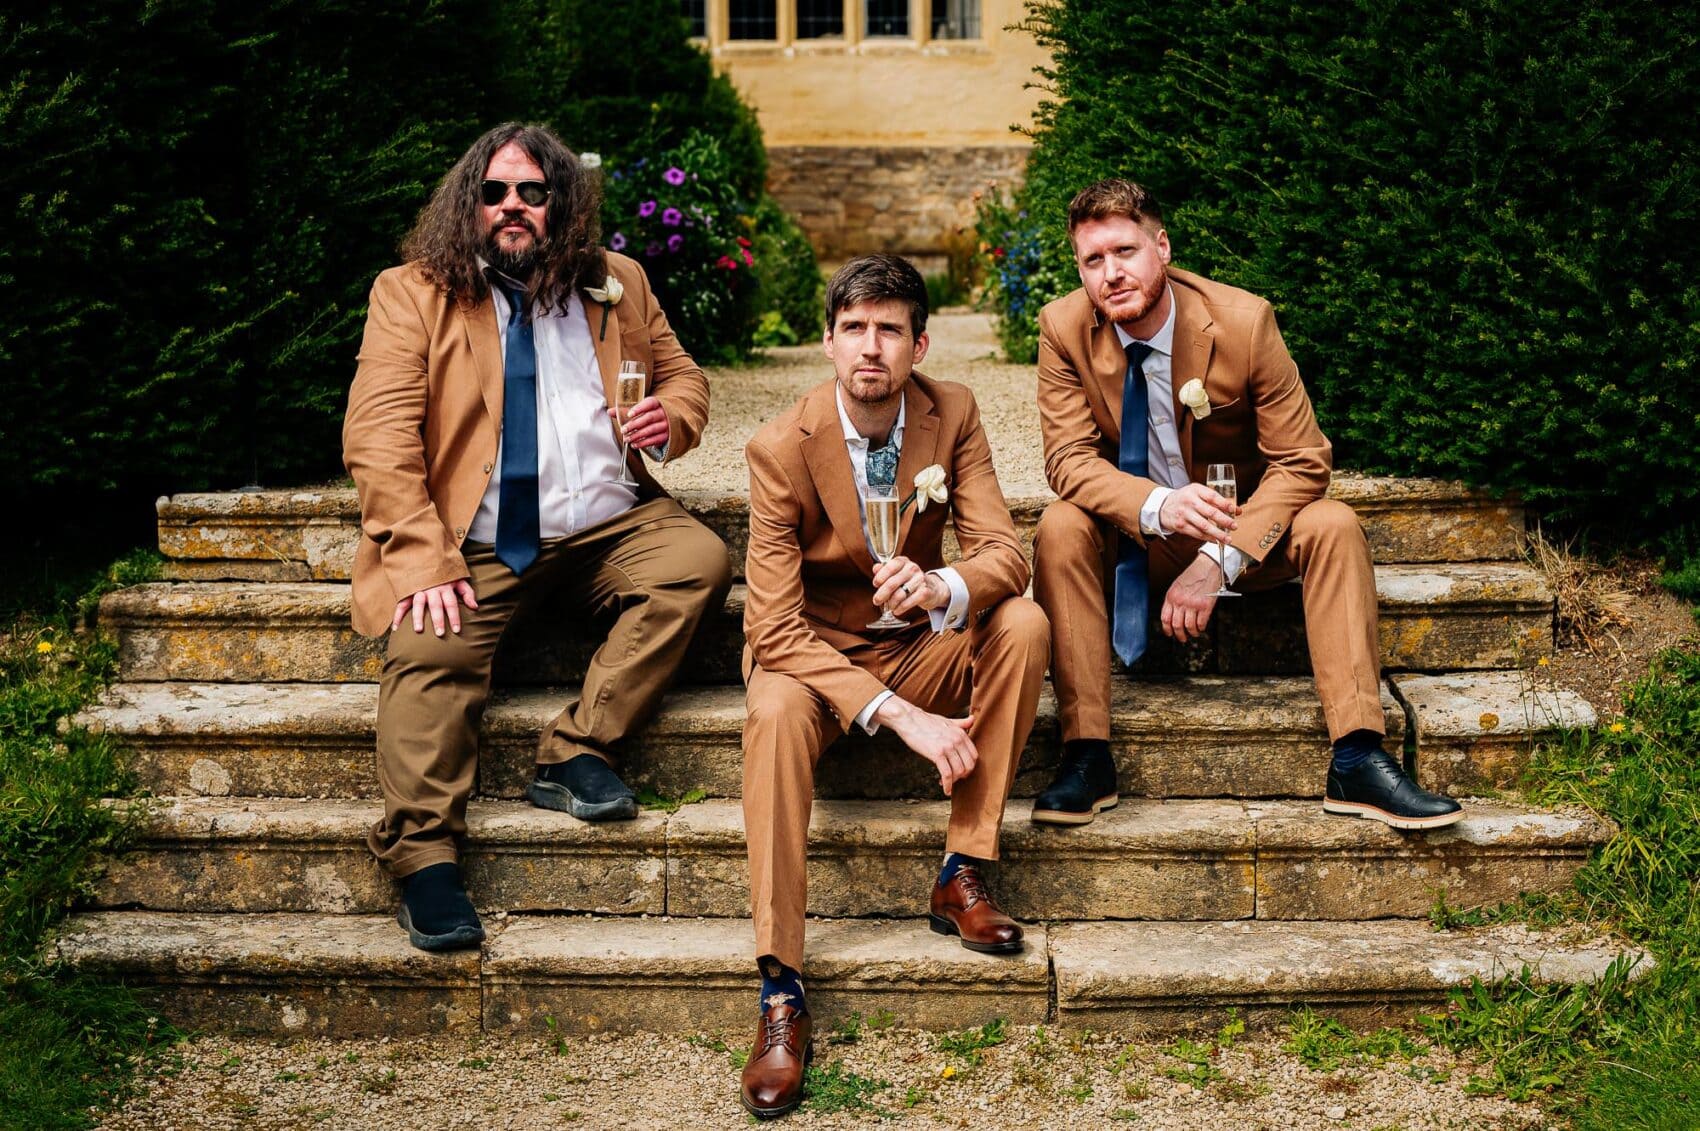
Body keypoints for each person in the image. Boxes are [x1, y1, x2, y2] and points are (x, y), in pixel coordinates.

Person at [343, 122, 730, 953]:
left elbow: (683, 375)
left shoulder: (615, 281)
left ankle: (574, 752)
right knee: (430, 649)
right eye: (493, 192)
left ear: (561, 202)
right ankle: (424, 858)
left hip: (608, 522)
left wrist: (674, 419)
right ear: (468, 204)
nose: (511, 207)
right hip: (476, 539)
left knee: (699, 559)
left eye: (531, 191)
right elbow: (378, 438)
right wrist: (420, 555)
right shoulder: (413, 291)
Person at [1029, 177, 1462, 832]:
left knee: (1334, 523)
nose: (1111, 274)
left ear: (1162, 246)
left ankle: (1357, 755)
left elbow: (1304, 459)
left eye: (1125, 251)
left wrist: (1219, 558)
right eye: (1093, 261)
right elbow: (1068, 461)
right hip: (1141, 540)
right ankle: (1086, 755)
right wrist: (1158, 505)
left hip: (1244, 534)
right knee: (1060, 526)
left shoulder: (1242, 321)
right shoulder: (1062, 329)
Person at [737, 254, 1049, 1118]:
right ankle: (781, 988)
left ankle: (963, 869)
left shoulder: (953, 414)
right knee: (767, 706)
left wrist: (945, 586)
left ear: (919, 343)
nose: (871, 347)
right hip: (815, 657)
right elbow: (771, 628)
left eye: (890, 329)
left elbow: (1005, 553)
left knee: (1023, 622)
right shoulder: (777, 447)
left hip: (919, 640)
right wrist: (901, 716)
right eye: (855, 329)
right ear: (829, 340)